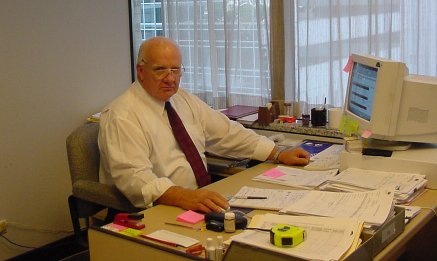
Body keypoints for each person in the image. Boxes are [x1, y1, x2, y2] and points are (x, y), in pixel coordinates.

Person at [98, 36, 310, 213]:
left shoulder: (181, 99)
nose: (170, 78)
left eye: (175, 69)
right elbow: (135, 178)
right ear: (141, 71)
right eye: (160, 69)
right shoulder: (122, 116)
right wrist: (184, 197)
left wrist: (277, 153)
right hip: (156, 208)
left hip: (196, 201)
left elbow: (227, 133)